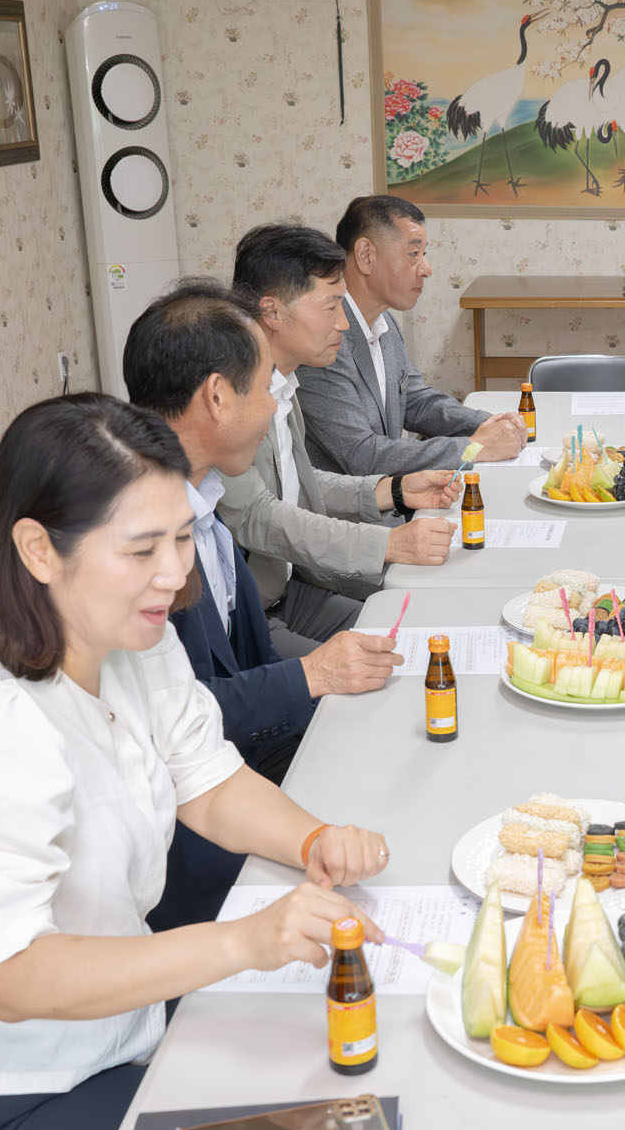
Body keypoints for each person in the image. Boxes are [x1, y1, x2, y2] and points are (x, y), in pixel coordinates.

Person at [0, 393, 390, 1130]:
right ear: (39, 549)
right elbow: (14, 977)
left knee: (349, 1114)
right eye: (141, 549)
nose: (174, 574)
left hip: (105, 1042)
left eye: (182, 538)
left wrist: (314, 840)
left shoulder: (130, 641)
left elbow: (209, 783)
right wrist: (244, 942)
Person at [121, 280, 401, 930]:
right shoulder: (140, 537)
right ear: (218, 397)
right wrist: (313, 675)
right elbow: (178, 727)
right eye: (263, 387)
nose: (274, 406)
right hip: (174, 852)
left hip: (227, 773)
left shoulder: (204, 504)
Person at [220, 222, 459, 652]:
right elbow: (260, 515)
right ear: (272, 312)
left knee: (425, 633)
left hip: (292, 590)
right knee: (393, 667)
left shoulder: (283, 383)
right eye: (331, 306)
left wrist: (396, 490)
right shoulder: (235, 401)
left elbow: (298, 481)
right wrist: (387, 543)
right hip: (251, 614)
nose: (344, 323)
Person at [297, 195, 527, 477]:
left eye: (424, 254)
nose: (426, 269)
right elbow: (361, 455)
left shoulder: (385, 323)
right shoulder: (326, 339)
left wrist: (492, 423)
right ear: (366, 256)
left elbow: (416, 401)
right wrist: (474, 448)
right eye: (413, 254)